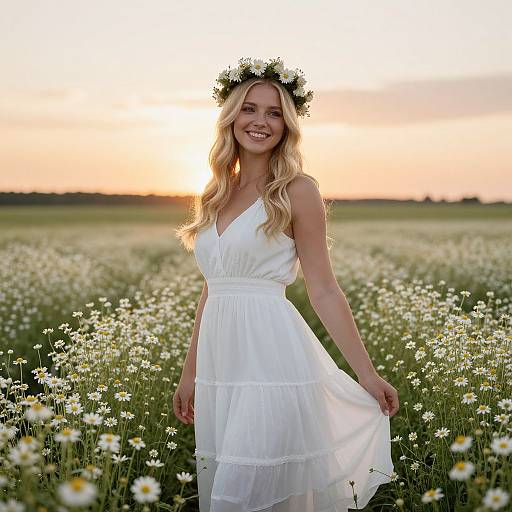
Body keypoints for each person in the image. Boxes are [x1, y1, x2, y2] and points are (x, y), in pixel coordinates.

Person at [174, 57, 399, 512]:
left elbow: (324, 289)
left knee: (245, 490)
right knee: (236, 483)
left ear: (288, 124)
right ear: (231, 116)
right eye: (250, 109)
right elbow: (213, 287)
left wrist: (366, 373)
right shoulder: (215, 192)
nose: (260, 121)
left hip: (272, 362)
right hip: (224, 368)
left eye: (274, 112)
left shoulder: (298, 190)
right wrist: (190, 371)